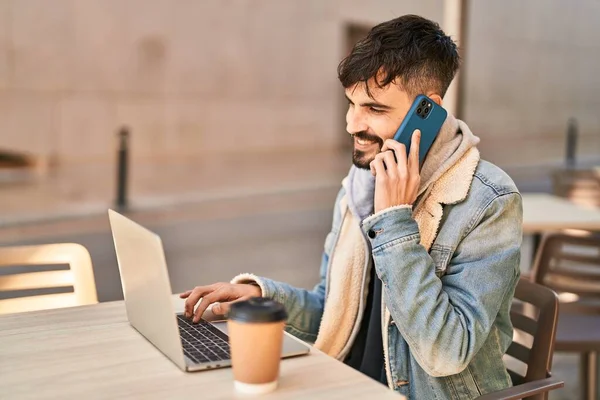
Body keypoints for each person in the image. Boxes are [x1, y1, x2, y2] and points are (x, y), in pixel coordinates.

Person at [180, 14, 522, 399]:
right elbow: (334, 312)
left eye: (374, 109)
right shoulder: (361, 185)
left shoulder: (488, 201)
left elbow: (445, 352)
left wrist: (394, 222)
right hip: (345, 383)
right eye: (351, 103)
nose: (351, 124)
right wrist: (263, 298)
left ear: (427, 111)